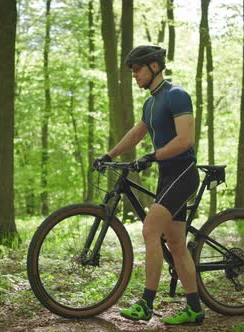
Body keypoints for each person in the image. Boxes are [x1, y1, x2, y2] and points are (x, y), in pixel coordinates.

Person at [93, 45, 203, 325]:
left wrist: (153, 156)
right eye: (132, 71)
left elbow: (185, 140)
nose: (134, 75)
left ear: (154, 66)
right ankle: (194, 308)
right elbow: (136, 133)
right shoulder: (150, 102)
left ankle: (146, 304)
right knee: (176, 243)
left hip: (183, 172)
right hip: (168, 176)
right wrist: (109, 155)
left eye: (137, 69)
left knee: (150, 229)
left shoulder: (176, 95)